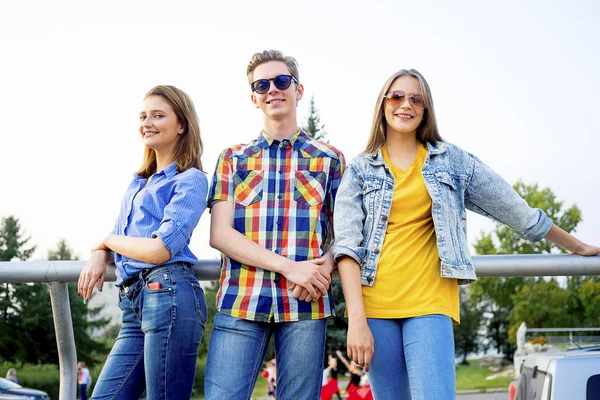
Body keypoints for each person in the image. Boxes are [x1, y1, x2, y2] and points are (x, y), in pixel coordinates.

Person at [332, 69, 600, 399]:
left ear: (426, 109)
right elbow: (346, 247)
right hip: (374, 308)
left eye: (417, 98)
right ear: (383, 104)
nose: (406, 104)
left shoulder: (452, 162)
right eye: (397, 96)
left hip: (430, 303)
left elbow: (517, 212)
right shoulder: (359, 170)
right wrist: (356, 321)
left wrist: (579, 245)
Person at [204, 49, 346, 399]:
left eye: (282, 81)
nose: (273, 89)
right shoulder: (233, 158)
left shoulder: (330, 159)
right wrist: (290, 268)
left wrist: (322, 268)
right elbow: (220, 234)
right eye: (262, 84)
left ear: (298, 90)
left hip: (305, 304)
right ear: (253, 97)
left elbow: (344, 234)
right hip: (241, 300)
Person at [77, 85, 208, 399]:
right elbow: (124, 236)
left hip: (169, 295)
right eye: (143, 116)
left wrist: (106, 241)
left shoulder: (190, 179)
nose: (147, 122)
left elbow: (160, 249)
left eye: (158, 115)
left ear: (181, 125)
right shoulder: (138, 183)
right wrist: (100, 250)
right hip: (133, 303)